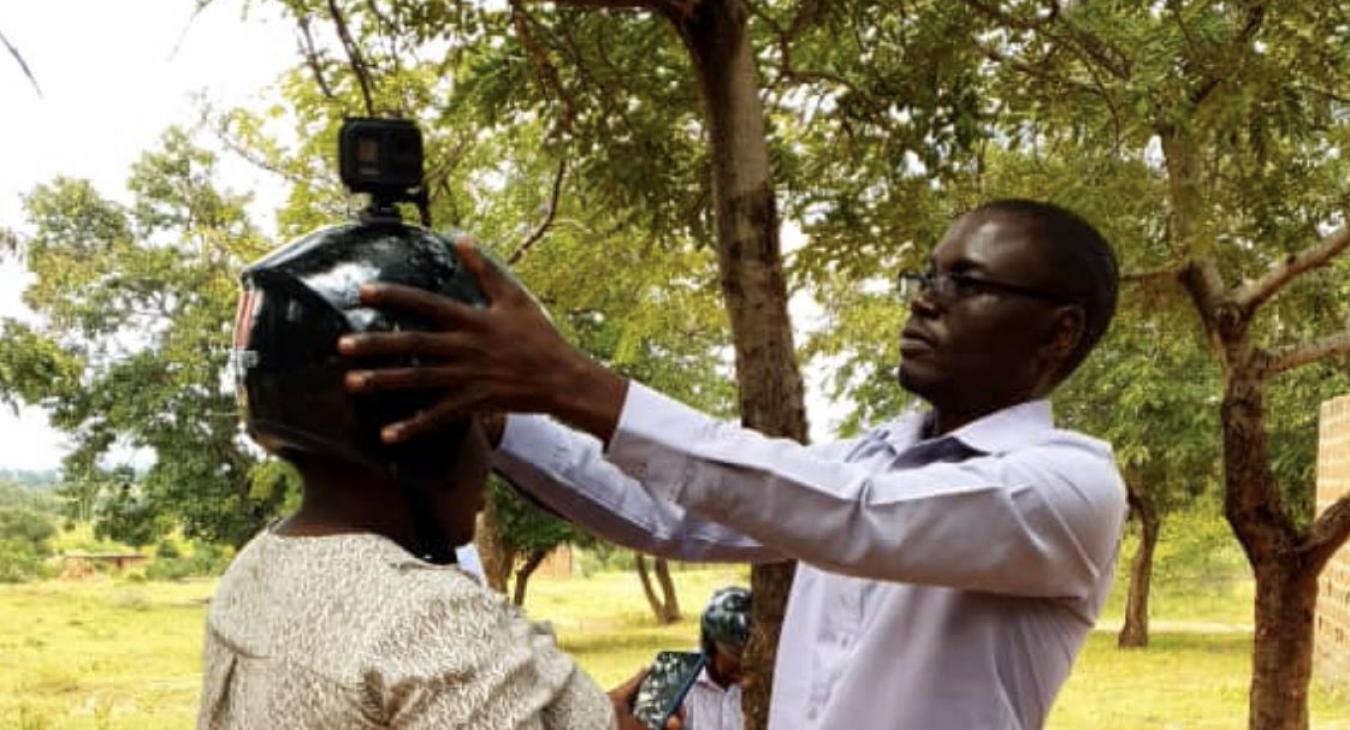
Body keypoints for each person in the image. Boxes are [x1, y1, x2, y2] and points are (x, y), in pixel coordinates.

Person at [338, 199, 1128, 729]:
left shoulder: (1067, 488)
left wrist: (573, 382)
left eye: (968, 283)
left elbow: (849, 516)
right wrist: (506, 418)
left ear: (1059, 333)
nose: (926, 299)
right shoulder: (872, 457)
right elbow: (677, 514)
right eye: (928, 276)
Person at [198, 221, 667, 730]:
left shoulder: (254, 571)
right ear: (422, 427)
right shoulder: (432, 621)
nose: (490, 456)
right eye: (482, 419)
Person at [685, 587, 750, 730]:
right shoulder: (680, 680)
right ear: (711, 647)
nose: (744, 663)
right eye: (735, 655)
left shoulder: (762, 685)